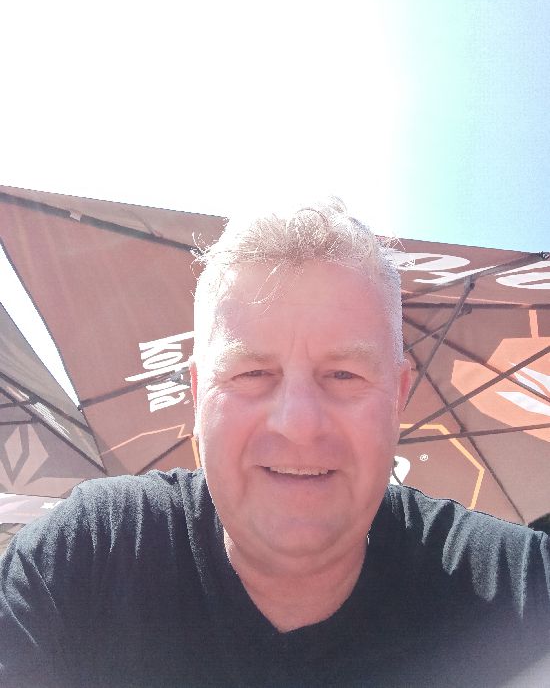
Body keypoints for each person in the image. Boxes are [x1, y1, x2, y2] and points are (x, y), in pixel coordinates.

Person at [0, 200, 549, 688]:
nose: (299, 424)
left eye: (344, 375)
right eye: (252, 373)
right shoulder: (85, 560)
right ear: (198, 392)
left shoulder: (521, 593)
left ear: (399, 394)